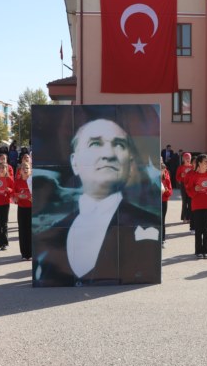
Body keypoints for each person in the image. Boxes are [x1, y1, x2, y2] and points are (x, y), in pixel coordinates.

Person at [33, 117, 161, 286]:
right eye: (95, 144)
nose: (108, 154)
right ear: (75, 162)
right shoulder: (48, 235)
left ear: (130, 165)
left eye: (119, 145)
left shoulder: (148, 223)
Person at [186, 154, 207, 259]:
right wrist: (195, 190)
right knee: (198, 229)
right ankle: (198, 251)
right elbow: (189, 191)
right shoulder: (194, 175)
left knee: (206, 229)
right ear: (199, 163)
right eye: (205, 161)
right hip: (197, 205)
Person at [0, 163, 14, 251]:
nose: (1, 169)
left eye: (3, 168)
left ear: (6, 169)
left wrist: (9, 190)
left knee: (4, 224)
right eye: (0, 168)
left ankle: (5, 243)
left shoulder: (9, 179)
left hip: (5, 203)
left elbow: (13, 191)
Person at [14, 161, 33, 261]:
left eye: (27, 168)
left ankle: (31, 253)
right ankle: (24, 253)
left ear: (30, 170)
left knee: (31, 230)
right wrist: (16, 199)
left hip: (31, 208)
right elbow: (14, 194)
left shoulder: (33, 181)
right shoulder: (17, 181)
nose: (25, 170)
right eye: (23, 168)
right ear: (20, 171)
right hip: (22, 208)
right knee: (22, 230)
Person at [176, 152, 193, 225]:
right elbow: (177, 177)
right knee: (184, 201)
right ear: (183, 159)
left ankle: (189, 217)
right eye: (186, 158)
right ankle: (184, 217)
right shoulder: (181, 167)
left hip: (191, 185)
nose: (188, 159)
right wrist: (181, 176)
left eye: (189, 158)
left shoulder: (192, 167)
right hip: (183, 185)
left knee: (190, 202)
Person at [160, 157, 173, 248]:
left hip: (164, 201)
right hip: (155, 202)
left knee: (162, 220)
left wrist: (166, 191)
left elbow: (170, 191)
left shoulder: (166, 178)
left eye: (163, 170)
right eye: (161, 170)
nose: (162, 172)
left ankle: (163, 239)